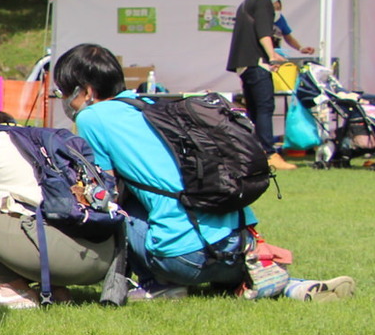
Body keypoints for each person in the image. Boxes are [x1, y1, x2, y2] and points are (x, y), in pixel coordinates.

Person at [54, 42, 351, 301]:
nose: (66, 100)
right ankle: (293, 287)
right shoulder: (150, 104)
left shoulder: (92, 117)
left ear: (87, 91)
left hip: (180, 259)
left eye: (66, 92)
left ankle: (157, 284)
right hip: (235, 247)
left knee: (117, 207)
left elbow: (106, 189)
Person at [0, 112, 121, 310]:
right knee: (21, 209)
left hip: (65, 259)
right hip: (103, 258)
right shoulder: (27, 141)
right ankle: (56, 290)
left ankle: (12, 290)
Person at [226, 0, 297, 172]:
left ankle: (255, 152)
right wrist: (272, 55)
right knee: (265, 107)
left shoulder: (248, 1)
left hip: (244, 64)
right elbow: (264, 32)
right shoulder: (263, 1)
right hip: (257, 64)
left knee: (255, 109)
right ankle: (269, 152)